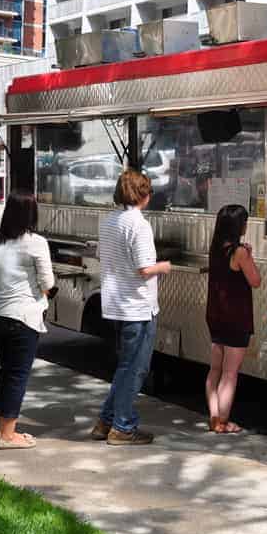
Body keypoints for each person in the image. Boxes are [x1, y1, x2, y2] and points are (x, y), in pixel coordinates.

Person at [91, 169, 171, 445]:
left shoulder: (109, 220)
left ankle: (106, 420)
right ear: (143, 195)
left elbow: (104, 255)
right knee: (136, 368)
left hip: (115, 303)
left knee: (125, 366)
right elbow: (144, 269)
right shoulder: (139, 225)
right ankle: (122, 427)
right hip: (137, 306)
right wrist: (165, 266)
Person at [0, 193, 55, 450]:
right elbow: (48, 282)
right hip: (23, 316)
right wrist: (44, 292)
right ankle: (7, 435)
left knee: (6, 372)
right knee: (17, 375)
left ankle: (4, 428)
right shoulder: (36, 242)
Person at [205, 204, 261, 434]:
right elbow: (255, 280)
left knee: (215, 370)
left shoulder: (216, 247)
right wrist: (250, 256)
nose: (246, 225)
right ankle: (223, 422)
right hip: (236, 317)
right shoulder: (240, 252)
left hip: (216, 314)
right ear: (238, 226)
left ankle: (213, 416)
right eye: (245, 222)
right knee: (230, 373)